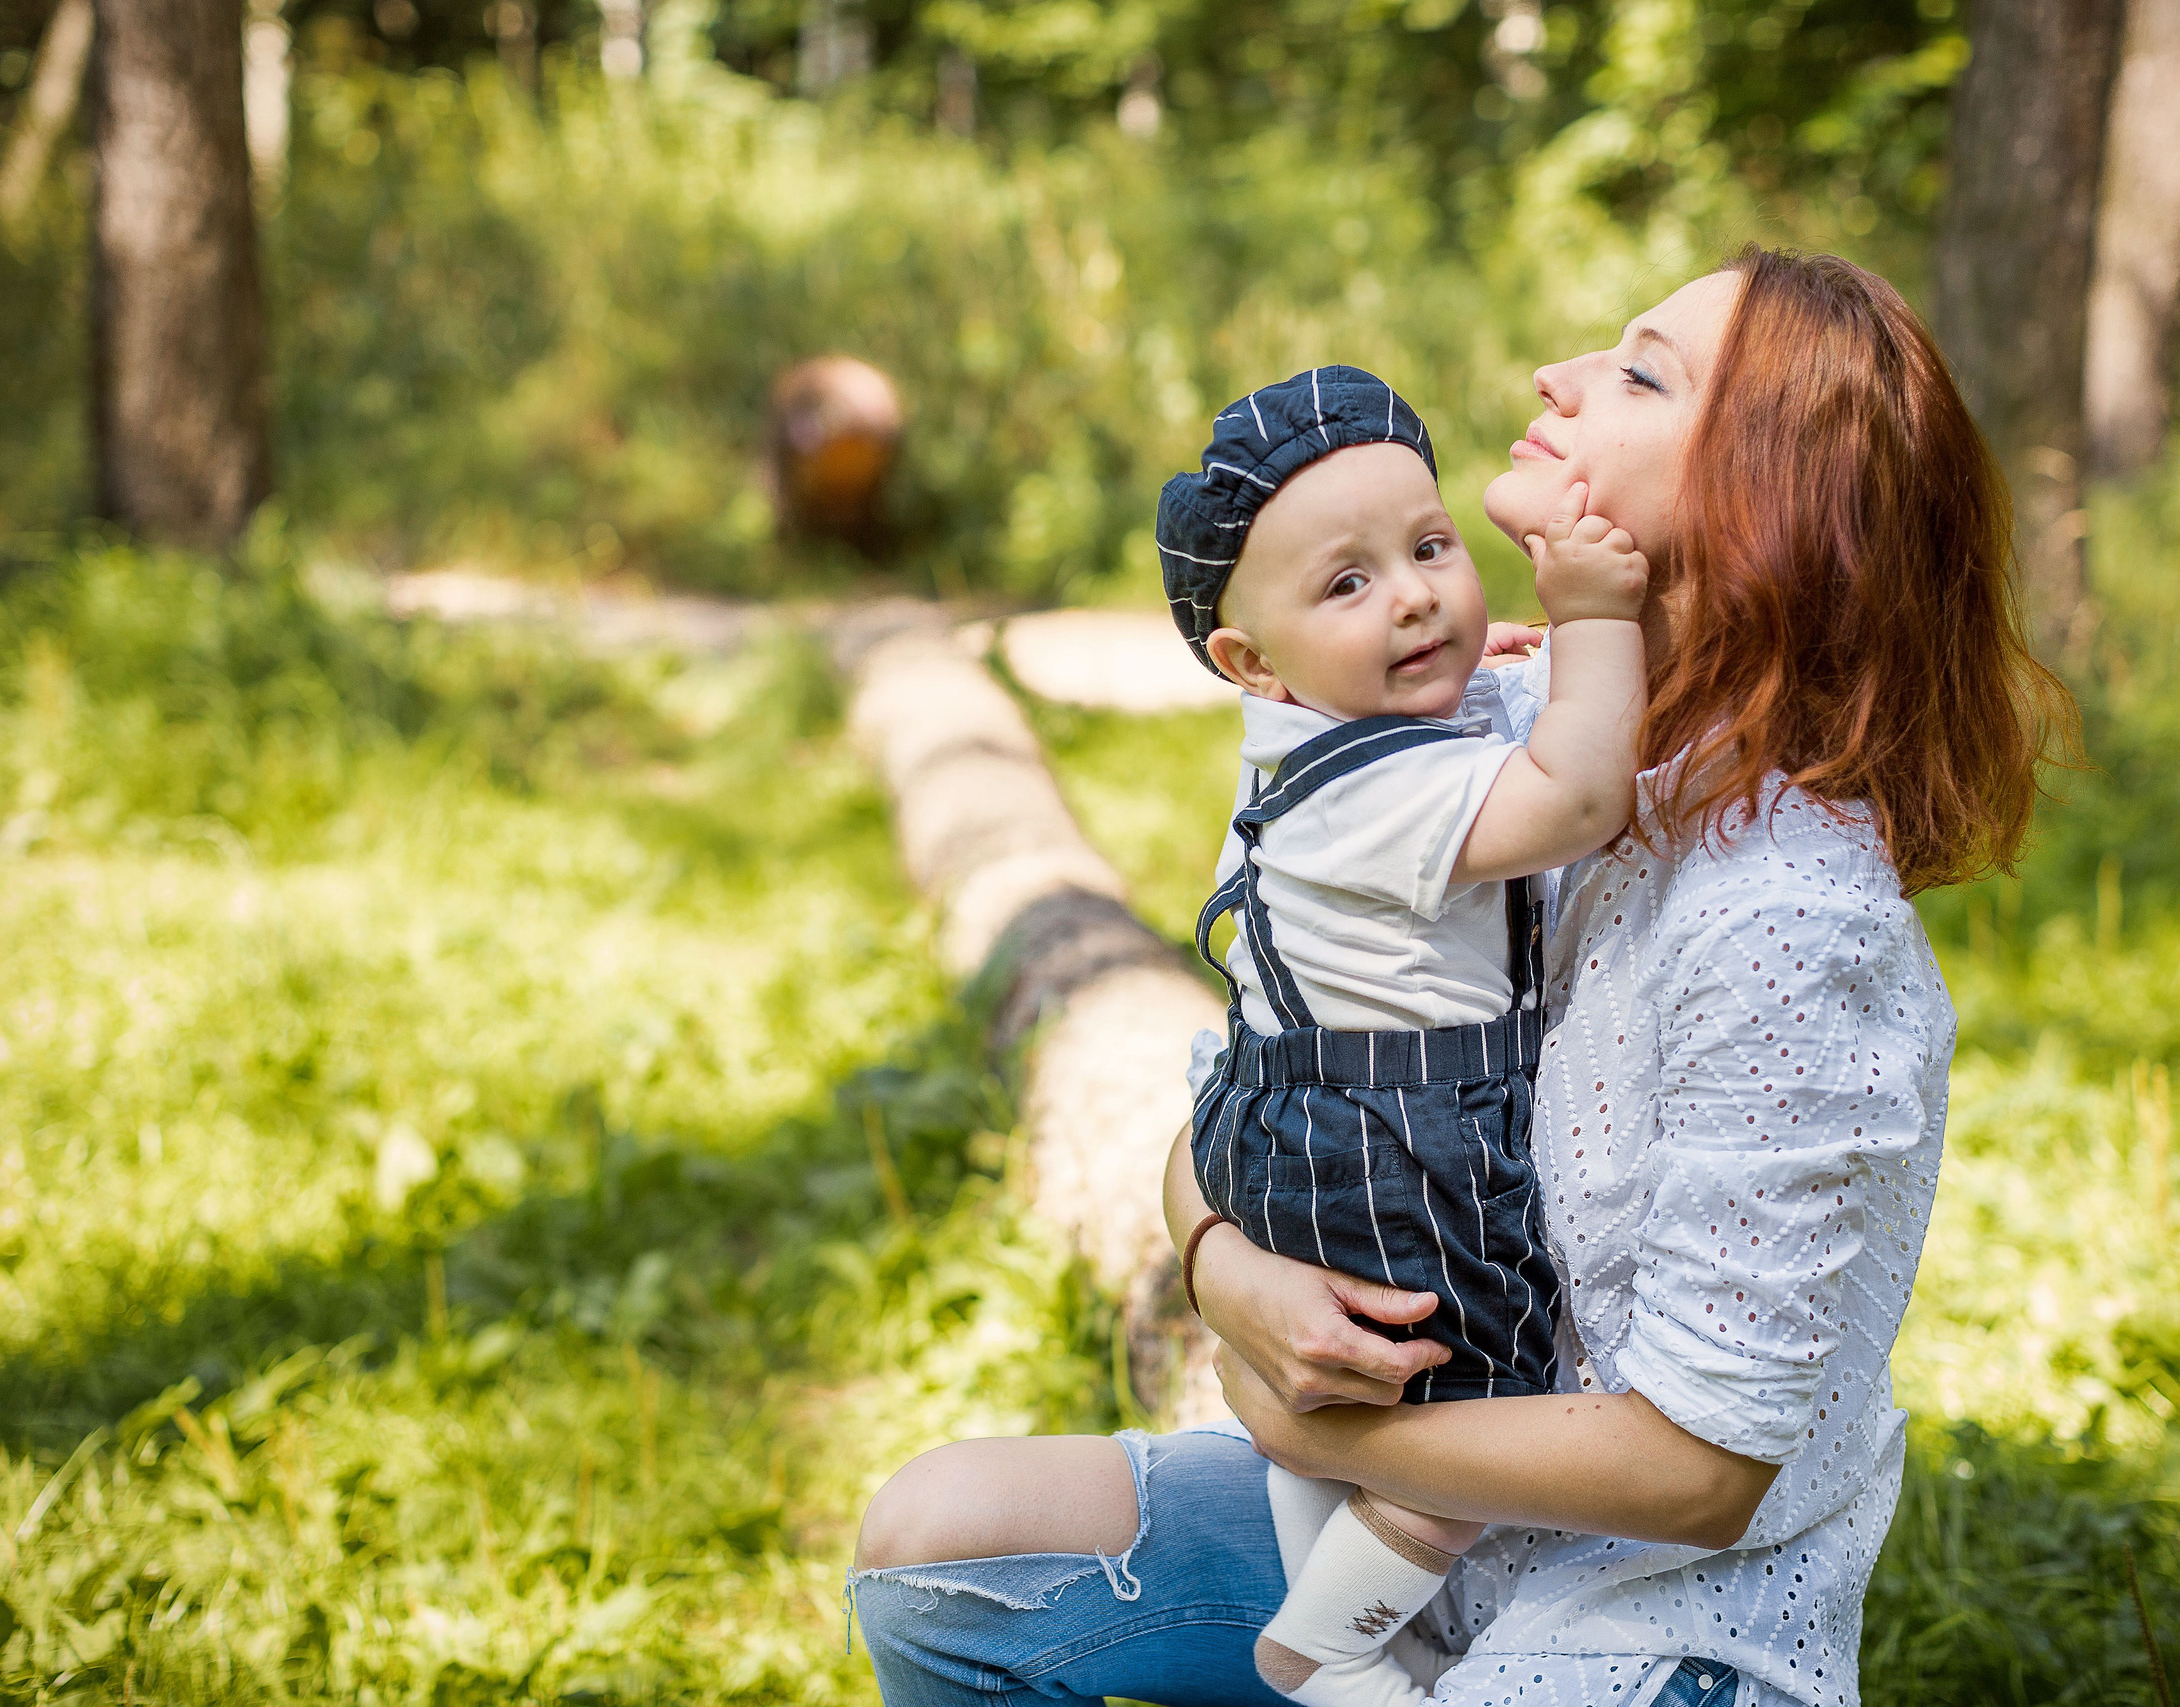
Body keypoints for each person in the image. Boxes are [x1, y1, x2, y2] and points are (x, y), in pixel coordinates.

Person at [851, 246, 2067, 1707]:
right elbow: (1249, 1085)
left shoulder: (1791, 918)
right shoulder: (1468, 715)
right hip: (1384, 1541)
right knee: (931, 1557)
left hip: (1642, 1622)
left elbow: (1699, 1474)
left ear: (1761, 499)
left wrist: (1321, 1435)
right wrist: (1223, 1273)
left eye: (1638, 372)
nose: (1558, 378)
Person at [1155, 366, 1648, 1706]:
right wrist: (1595, 616)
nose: (1418, 595)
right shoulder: (1371, 794)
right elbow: (1577, 793)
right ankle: (1327, 1651)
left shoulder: (1318, 749)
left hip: (1293, 1123)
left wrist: (1497, 678)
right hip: (1393, 1149)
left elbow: (1483, 737)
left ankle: (1342, 1621)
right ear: (1251, 666)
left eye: (1429, 549)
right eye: (1347, 586)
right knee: (1469, 1398)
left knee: (1361, 1426)